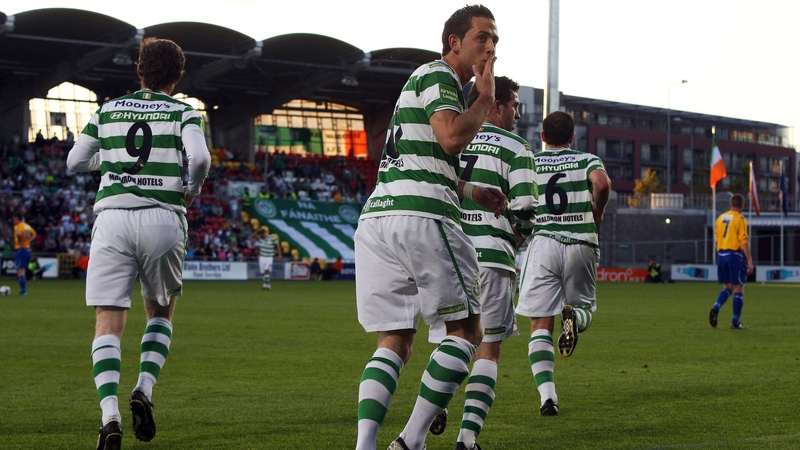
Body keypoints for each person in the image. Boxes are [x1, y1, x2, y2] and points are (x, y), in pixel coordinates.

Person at [353, 5, 506, 450]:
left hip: (379, 217)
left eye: (495, 40)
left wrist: (471, 189)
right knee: (466, 332)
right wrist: (484, 97)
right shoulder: (440, 76)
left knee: (395, 340)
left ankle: (365, 445)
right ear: (455, 42)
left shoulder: (419, 82)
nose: (491, 47)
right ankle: (410, 441)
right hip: (423, 218)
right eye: (483, 37)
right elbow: (452, 137)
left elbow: (423, 159)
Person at [66, 37, 211, 450]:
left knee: (108, 322)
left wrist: (106, 162)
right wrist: (191, 189)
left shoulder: (108, 110)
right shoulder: (184, 112)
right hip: (164, 217)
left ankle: (108, 414)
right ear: (178, 76)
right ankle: (144, 389)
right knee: (160, 313)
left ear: (138, 70)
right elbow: (199, 159)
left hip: (112, 219)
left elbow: (74, 162)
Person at [427, 75, 538, 450]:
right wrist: (520, 233)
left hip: (449, 249)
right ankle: (467, 438)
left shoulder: (449, 139)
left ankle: (436, 401)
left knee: (452, 340)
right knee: (488, 347)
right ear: (497, 105)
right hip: (491, 255)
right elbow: (524, 207)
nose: (518, 114)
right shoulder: (516, 147)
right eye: (515, 106)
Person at [515, 111, 611, 417]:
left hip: (542, 244)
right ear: (572, 137)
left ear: (542, 137)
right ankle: (576, 319)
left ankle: (548, 397)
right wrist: (597, 214)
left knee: (539, 323)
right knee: (583, 307)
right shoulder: (587, 159)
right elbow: (602, 183)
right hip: (580, 242)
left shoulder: (531, 161)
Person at [709, 193, 754, 330]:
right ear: (742, 206)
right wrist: (750, 261)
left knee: (728, 287)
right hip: (734, 255)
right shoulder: (740, 219)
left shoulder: (720, 218)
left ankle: (716, 306)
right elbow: (744, 241)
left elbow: (716, 240)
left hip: (722, 254)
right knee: (738, 287)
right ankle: (735, 322)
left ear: (730, 204)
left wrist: (721, 254)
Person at [12, 213, 36, 296]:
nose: (13, 220)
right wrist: (28, 241)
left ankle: (24, 291)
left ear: (17, 218)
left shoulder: (17, 226)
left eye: (14, 219)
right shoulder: (27, 226)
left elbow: (18, 235)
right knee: (23, 271)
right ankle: (23, 291)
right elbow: (34, 234)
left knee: (20, 271)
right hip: (27, 250)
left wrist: (22, 242)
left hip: (20, 249)